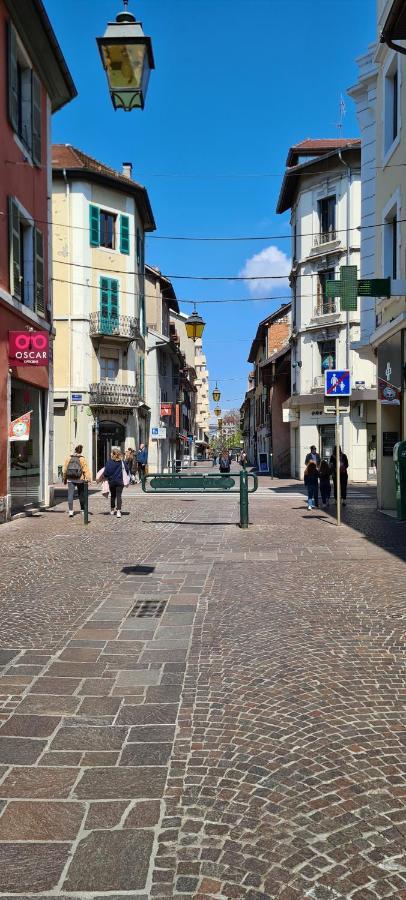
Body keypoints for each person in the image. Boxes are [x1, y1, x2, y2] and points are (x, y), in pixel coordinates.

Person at [63, 444, 92, 518]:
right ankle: (82, 510)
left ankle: (70, 511)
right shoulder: (82, 459)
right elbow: (86, 470)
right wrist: (89, 479)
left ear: (75, 450)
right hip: (80, 479)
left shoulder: (69, 458)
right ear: (81, 451)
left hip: (70, 479)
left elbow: (65, 469)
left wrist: (65, 478)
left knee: (70, 495)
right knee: (81, 494)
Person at [104, 448, 130, 518]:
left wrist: (108, 477)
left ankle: (112, 510)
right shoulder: (122, 462)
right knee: (119, 496)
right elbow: (127, 470)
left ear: (113, 454)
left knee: (113, 495)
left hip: (112, 481)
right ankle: (118, 511)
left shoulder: (109, 462)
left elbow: (106, 473)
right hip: (120, 481)